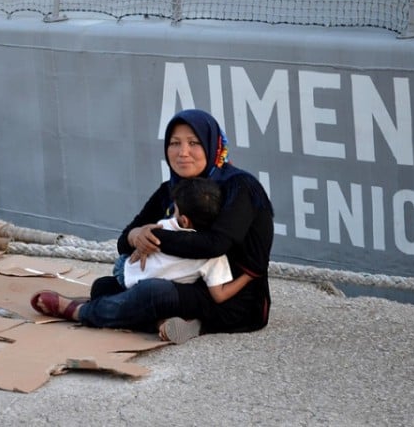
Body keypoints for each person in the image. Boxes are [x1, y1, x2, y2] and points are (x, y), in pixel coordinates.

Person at [31, 108, 274, 344]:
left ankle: (81, 312)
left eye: (194, 143)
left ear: (212, 146)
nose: (183, 152)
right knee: (103, 287)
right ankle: (172, 323)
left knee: (152, 293)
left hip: (231, 298)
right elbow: (124, 241)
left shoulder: (239, 187)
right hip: (184, 281)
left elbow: (214, 245)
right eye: (175, 143)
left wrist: (155, 238)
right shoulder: (171, 190)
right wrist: (137, 236)